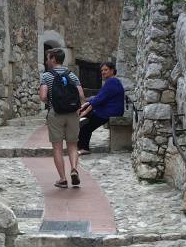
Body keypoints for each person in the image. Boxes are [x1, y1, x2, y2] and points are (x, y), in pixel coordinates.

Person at [40, 48, 86, 188]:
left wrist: (52, 102)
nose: (46, 61)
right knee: (72, 145)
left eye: (48, 58)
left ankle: (62, 179)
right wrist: (76, 108)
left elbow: (43, 96)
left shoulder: (46, 76)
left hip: (56, 114)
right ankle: (74, 169)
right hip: (72, 114)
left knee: (57, 148)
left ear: (53, 59)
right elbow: (81, 96)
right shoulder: (72, 75)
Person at [77, 62, 125, 153]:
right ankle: (81, 146)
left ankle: (83, 148)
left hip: (110, 111)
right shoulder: (113, 81)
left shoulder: (111, 82)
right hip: (111, 110)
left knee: (86, 125)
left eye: (105, 70)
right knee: (85, 120)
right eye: (102, 70)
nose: (103, 72)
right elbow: (99, 97)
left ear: (112, 70)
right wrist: (86, 104)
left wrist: (85, 112)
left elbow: (99, 100)